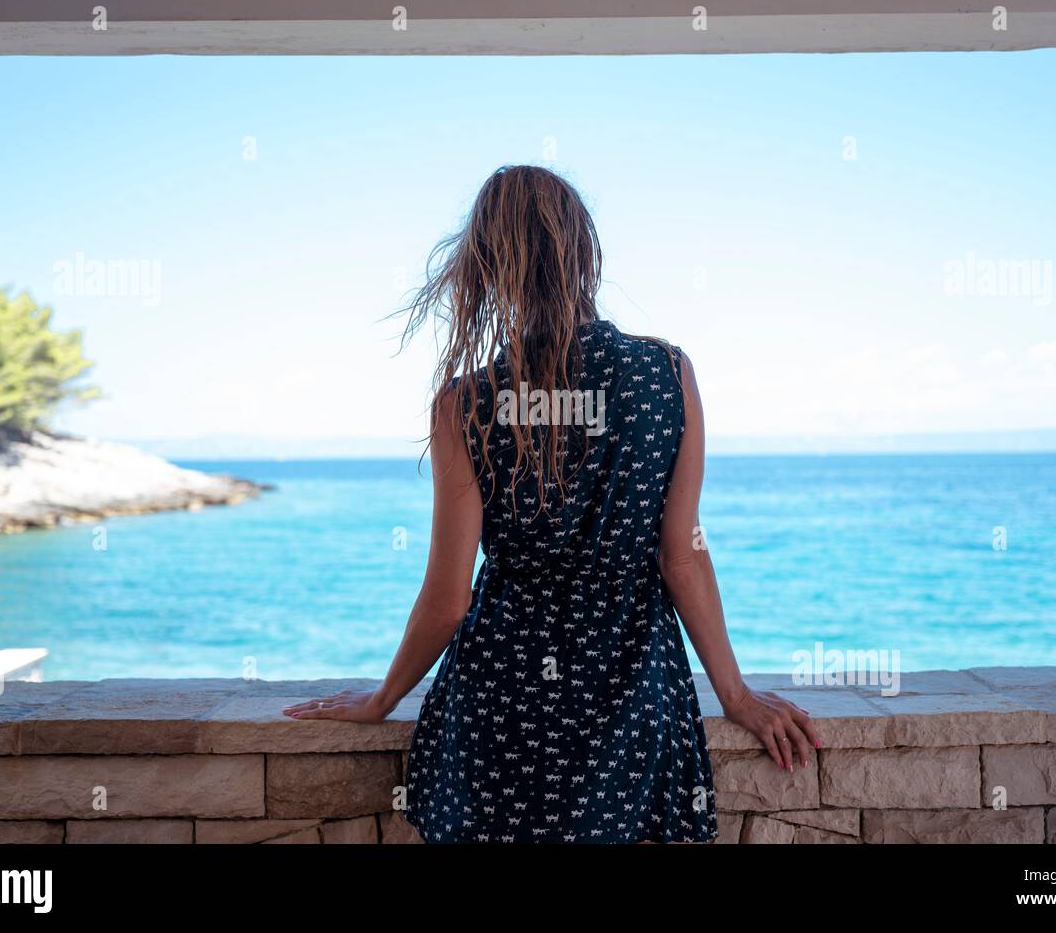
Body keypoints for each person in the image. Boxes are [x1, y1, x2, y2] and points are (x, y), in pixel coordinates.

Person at [284, 165, 820, 843]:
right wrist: (735, 695)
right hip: (632, 691)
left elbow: (449, 600)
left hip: (501, 702)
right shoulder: (667, 374)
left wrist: (383, 698)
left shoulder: (466, 402)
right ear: (586, 255)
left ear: (484, 266)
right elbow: (681, 556)